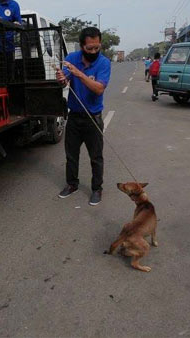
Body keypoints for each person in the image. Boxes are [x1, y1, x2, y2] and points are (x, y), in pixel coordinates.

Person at [56, 27, 111, 206]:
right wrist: (62, 78)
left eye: (97, 47)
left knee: (96, 156)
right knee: (71, 155)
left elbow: (98, 88)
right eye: (90, 48)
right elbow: (64, 80)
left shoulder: (103, 63)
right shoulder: (72, 59)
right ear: (82, 46)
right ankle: (72, 184)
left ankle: (97, 189)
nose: (94, 52)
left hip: (93, 117)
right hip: (74, 117)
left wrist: (78, 74)